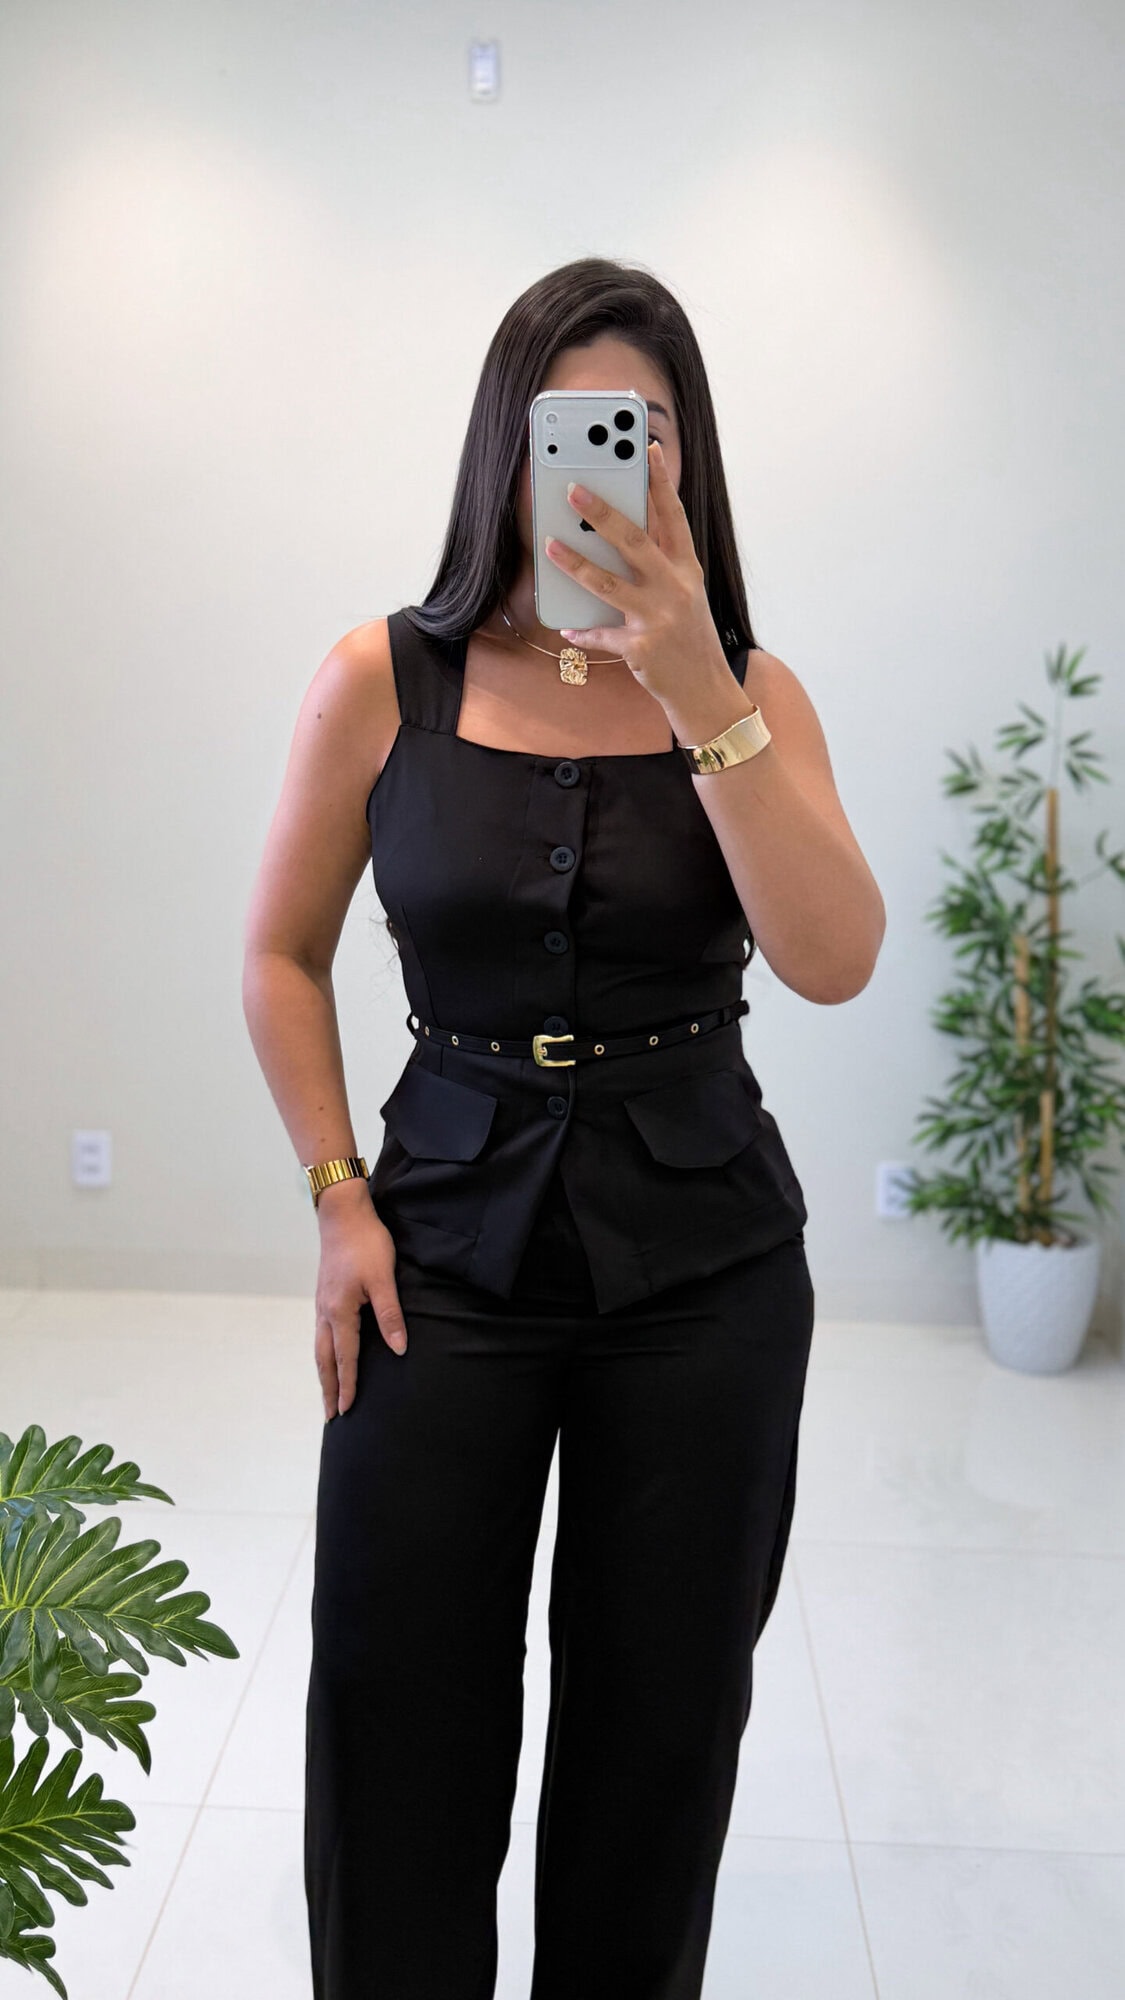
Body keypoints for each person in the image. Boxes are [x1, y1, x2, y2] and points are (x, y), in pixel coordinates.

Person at [242, 256, 885, 2000]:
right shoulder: (382, 675)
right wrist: (337, 1199)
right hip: (435, 1252)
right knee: (395, 1705)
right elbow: (280, 954)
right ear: (505, 444)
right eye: (579, 422)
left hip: (706, 1268)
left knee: (655, 1736)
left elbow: (833, 959)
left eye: (647, 428)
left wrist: (694, 689)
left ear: (687, 457)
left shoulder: (750, 688)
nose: (615, 457)